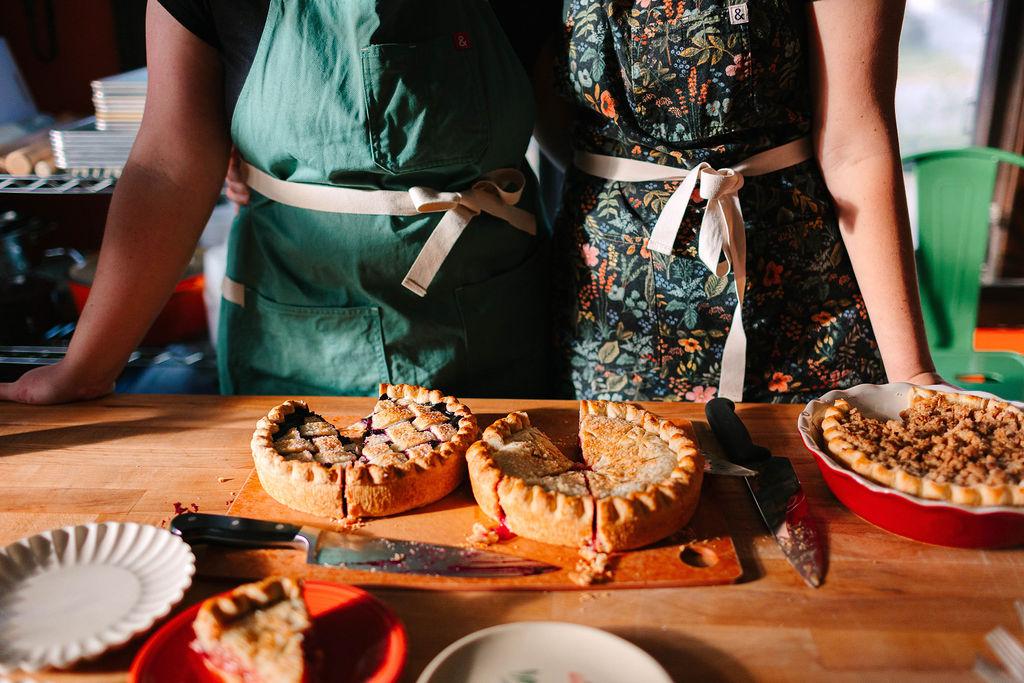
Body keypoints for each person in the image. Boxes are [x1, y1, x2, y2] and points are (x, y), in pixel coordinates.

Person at [0, 0, 554, 404]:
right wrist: (87, 367)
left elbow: (578, 126)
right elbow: (169, 165)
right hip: (296, 343)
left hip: (492, 332)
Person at [534, 0, 944, 402]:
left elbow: (855, 148)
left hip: (795, 308)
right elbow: (553, 115)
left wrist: (912, 374)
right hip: (603, 311)